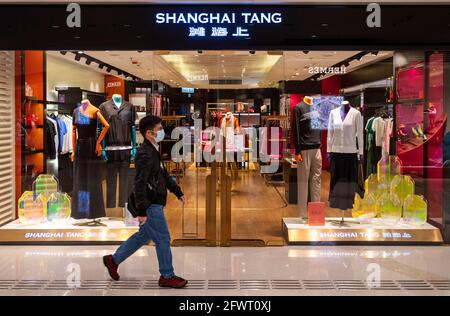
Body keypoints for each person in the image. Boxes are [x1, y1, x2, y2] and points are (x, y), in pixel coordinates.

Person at [103, 115, 188, 288]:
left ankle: (113, 260)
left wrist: (177, 192)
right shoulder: (144, 154)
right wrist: (142, 211)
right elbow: (139, 183)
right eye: (159, 129)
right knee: (163, 238)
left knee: (144, 236)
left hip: (154, 201)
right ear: (149, 133)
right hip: (150, 204)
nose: (161, 131)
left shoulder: (153, 150)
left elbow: (163, 175)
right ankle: (167, 275)